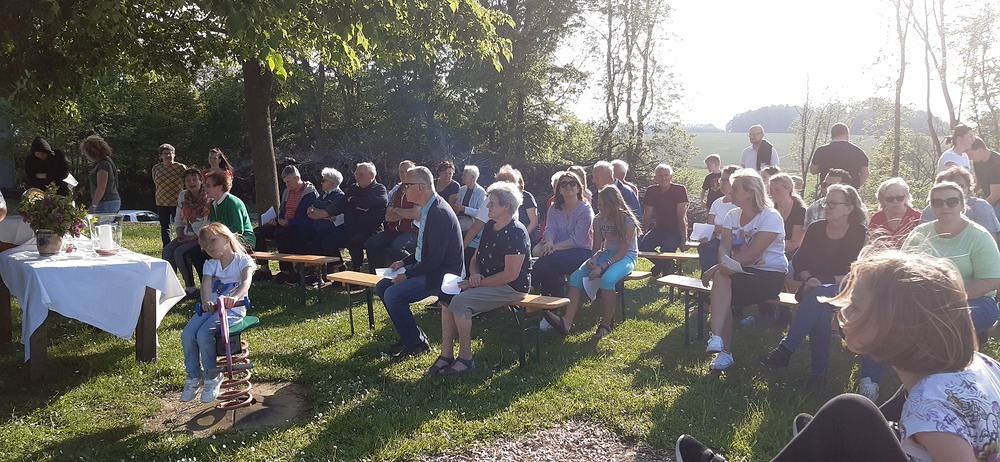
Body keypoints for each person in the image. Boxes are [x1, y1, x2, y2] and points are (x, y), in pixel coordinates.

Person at [677, 250, 1000, 462]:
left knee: (850, 410)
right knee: (862, 416)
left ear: (898, 326)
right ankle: (832, 436)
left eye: (855, 307)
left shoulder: (931, 407)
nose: (842, 313)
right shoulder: (978, 364)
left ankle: (835, 433)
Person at [760, 184, 867, 387]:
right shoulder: (816, 228)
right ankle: (819, 375)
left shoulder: (858, 232)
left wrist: (824, 280)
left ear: (849, 208)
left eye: (833, 204)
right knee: (821, 306)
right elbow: (801, 260)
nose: (827, 207)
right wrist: (809, 279)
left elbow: (854, 270)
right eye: (826, 202)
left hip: (843, 287)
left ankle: (787, 350)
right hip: (812, 286)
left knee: (819, 297)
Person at [427, 182, 531, 376]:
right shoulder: (491, 226)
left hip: (511, 287)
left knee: (461, 302)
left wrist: (477, 283)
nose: (488, 206)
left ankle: (465, 359)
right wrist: (474, 274)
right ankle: (446, 354)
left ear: (506, 206)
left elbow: (511, 274)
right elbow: (475, 258)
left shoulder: (517, 232)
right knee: (446, 297)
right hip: (487, 281)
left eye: (492, 203)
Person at [701, 169, 787, 371]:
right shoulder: (732, 215)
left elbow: (751, 254)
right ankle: (719, 342)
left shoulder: (770, 217)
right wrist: (722, 265)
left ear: (749, 193)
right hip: (738, 270)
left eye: (735, 188)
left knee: (722, 283)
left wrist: (716, 267)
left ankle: (723, 347)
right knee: (722, 281)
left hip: (769, 275)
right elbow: (724, 247)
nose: (729, 191)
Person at [376, 166, 464, 358]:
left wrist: (407, 274)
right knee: (382, 286)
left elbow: (435, 259)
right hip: (430, 267)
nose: (403, 189)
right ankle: (408, 334)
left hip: (441, 275)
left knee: (393, 294)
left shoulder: (438, 212)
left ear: (420, 187)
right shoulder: (429, 208)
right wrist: (403, 262)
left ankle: (416, 344)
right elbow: (424, 249)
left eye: (406, 185)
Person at [543, 185, 640, 340]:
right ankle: (566, 322)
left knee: (608, 279)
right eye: (599, 204)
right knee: (575, 277)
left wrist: (602, 266)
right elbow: (597, 247)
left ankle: (605, 325)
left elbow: (622, 252)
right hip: (606, 254)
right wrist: (593, 259)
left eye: (605, 206)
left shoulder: (627, 221)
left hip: (626, 257)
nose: (601, 209)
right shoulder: (598, 219)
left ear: (614, 204)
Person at [904, 181, 1000, 336]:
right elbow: (902, 269)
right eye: (937, 202)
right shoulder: (919, 233)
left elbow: (990, 280)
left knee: (943, 322)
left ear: (962, 205)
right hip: (924, 300)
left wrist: (947, 298)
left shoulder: (979, 236)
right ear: (931, 207)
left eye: (952, 201)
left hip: (975, 300)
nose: (945, 207)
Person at [180, 222, 255, 404]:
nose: (209, 248)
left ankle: (212, 376)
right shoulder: (211, 264)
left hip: (233, 310)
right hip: (213, 308)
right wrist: (206, 300)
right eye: (205, 246)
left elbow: (246, 282)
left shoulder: (243, 261)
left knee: (204, 334)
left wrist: (234, 297)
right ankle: (193, 376)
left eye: (213, 241)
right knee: (188, 334)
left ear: (227, 238)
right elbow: (206, 283)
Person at [531, 171, 594, 297]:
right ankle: (553, 303)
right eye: (563, 184)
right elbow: (550, 229)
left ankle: (528, 288)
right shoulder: (554, 208)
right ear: (559, 190)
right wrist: (549, 241)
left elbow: (578, 240)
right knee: (550, 269)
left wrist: (554, 247)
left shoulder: (585, 210)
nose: (568, 186)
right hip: (556, 251)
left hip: (581, 252)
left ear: (578, 188)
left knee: (547, 259)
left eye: (572, 183)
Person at [187, 170, 257, 281]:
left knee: (204, 254)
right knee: (195, 252)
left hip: (242, 240)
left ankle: (222, 282)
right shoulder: (213, 204)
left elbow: (238, 230)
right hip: (222, 240)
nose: (205, 188)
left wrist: (218, 242)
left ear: (219, 186)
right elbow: (212, 228)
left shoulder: (232, 202)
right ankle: (207, 284)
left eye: (208, 185)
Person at [252, 165, 317, 283]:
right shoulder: (287, 192)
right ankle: (264, 269)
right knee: (258, 232)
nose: (287, 185)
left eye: (288, 182)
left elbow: (308, 217)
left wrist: (290, 223)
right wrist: (276, 220)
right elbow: (283, 211)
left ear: (297, 178)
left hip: (300, 226)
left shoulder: (309, 194)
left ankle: (286, 271)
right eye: (285, 182)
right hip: (284, 223)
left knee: (280, 233)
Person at [321, 162, 387, 272]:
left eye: (361, 174)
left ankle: (356, 269)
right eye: (356, 174)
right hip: (350, 228)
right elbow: (342, 204)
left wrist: (352, 200)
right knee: (328, 242)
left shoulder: (379, 189)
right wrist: (328, 213)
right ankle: (340, 266)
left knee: (355, 242)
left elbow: (368, 203)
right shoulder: (353, 188)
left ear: (371, 175)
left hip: (370, 229)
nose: (357, 177)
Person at [162, 168, 210, 297]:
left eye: (194, 179)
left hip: (201, 236)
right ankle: (170, 287)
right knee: (167, 251)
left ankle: (191, 289)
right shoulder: (182, 196)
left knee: (180, 252)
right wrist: (180, 234)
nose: (191, 182)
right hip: (185, 234)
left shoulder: (207, 197)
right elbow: (178, 218)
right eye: (188, 180)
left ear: (201, 181)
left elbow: (207, 223)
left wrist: (193, 237)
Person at [921, 166, 1000, 241]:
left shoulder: (980, 207)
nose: (954, 191)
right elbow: (921, 240)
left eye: (960, 186)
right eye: (948, 186)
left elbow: (992, 239)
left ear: (969, 188)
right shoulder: (930, 210)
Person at [365, 160, 418, 270]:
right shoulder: (396, 190)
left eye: (407, 171)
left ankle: (414, 271)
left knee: (396, 248)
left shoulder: (418, 189)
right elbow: (388, 216)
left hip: (412, 231)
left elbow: (415, 213)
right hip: (393, 230)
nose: (404, 174)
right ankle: (376, 276)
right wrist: (405, 213)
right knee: (371, 243)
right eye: (401, 172)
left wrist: (397, 210)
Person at [638, 164, 688, 277]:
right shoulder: (651, 190)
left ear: (671, 177)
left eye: (666, 175)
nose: (663, 178)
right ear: (655, 178)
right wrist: (642, 232)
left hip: (675, 229)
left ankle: (667, 272)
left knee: (667, 248)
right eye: (660, 176)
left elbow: (681, 216)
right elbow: (647, 214)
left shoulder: (679, 190)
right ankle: (663, 265)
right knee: (643, 246)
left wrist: (684, 239)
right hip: (659, 228)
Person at [697, 165, 739, 272]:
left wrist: (717, 229)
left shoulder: (740, 204)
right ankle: (709, 277)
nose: (721, 183)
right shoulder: (717, 203)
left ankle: (718, 276)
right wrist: (707, 236)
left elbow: (737, 228)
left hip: (735, 241)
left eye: (725, 180)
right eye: (721, 180)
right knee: (704, 247)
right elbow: (710, 227)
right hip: (717, 240)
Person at [305, 167, 347, 267]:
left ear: (333, 184)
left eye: (324, 181)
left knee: (321, 242)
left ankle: (337, 266)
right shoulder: (322, 196)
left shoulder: (340, 197)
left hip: (333, 230)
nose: (321, 183)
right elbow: (309, 213)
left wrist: (317, 211)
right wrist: (324, 217)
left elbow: (324, 213)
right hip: (319, 227)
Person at [809, 122, 869, 189]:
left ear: (832, 135)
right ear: (847, 135)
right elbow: (865, 174)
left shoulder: (821, 151)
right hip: (849, 192)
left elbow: (813, 171)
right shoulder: (859, 152)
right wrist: (855, 187)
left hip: (828, 191)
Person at [152, 143, 188, 246]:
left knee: (181, 225)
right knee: (165, 226)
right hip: (161, 201)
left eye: (171, 153)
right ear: (161, 156)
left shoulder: (181, 167)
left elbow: (187, 183)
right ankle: (167, 246)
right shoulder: (156, 168)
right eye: (165, 153)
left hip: (177, 202)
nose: (168, 155)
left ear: (174, 154)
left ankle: (182, 243)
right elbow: (155, 182)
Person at [868, 177, 921, 249]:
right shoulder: (877, 218)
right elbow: (870, 245)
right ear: (882, 200)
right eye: (890, 199)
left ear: (906, 197)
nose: (895, 202)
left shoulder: (917, 218)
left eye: (899, 198)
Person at [452, 165, 488, 270]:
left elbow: (480, 213)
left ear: (472, 177)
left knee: (454, 226)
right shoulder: (462, 189)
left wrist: (464, 209)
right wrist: (456, 207)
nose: (462, 177)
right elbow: (458, 203)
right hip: (459, 217)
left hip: (471, 220)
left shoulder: (481, 192)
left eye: (464, 175)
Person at [80, 135, 120, 214]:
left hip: (105, 202)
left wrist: (94, 205)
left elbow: (102, 186)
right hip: (110, 201)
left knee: (102, 222)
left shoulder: (103, 165)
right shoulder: (108, 162)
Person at [768, 173, 805, 256]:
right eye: (771, 189)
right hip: (771, 252)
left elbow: (794, 244)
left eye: (777, 190)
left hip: (792, 255)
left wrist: (770, 243)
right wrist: (782, 243)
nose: (772, 193)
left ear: (788, 189)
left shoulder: (799, 210)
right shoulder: (770, 208)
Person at [968, 137, 1000, 214]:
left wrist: (980, 208)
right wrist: (967, 195)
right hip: (991, 201)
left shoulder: (997, 162)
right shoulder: (977, 162)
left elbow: (996, 194)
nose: (970, 158)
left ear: (980, 150)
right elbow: (978, 183)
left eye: (971, 154)